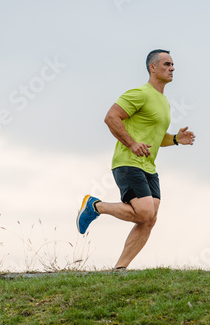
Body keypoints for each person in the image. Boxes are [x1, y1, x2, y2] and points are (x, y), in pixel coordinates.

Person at [76, 49, 195, 270]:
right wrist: (131, 144)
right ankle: (95, 206)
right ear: (153, 67)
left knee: (149, 219)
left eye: (173, 64)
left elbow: (155, 139)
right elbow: (111, 117)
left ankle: (119, 269)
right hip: (128, 162)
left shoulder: (164, 102)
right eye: (167, 64)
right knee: (145, 212)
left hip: (148, 166)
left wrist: (176, 139)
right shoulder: (139, 93)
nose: (172, 68)